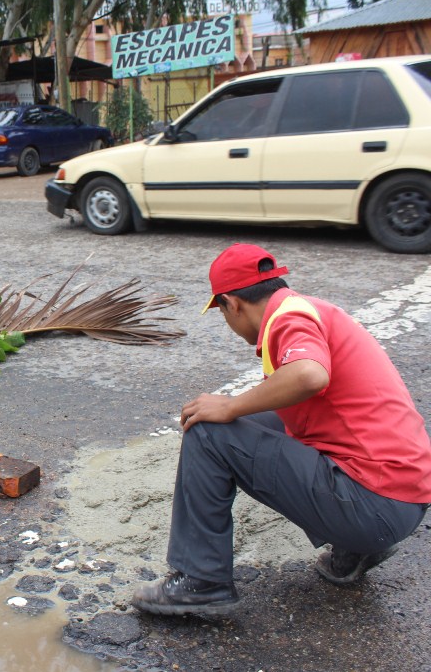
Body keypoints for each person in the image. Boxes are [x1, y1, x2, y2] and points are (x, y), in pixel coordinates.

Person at [131, 243, 431, 616]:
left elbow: (308, 374)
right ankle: (355, 550)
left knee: (209, 432)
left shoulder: (287, 320)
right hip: (405, 496)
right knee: (265, 420)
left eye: (222, 311)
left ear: (232, 304)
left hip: (374, 507)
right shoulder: (311, 309)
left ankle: (202, 582)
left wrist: (230, 405)